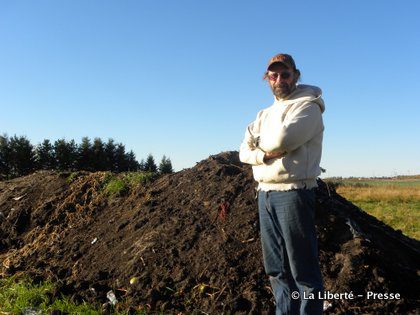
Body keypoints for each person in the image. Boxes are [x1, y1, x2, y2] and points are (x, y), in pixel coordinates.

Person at [239, 53, 325, 315]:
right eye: (273, 75)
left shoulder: (308, 106)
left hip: (293, 193)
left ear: (295, 75)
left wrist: (260, 143)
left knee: (303, 270)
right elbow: (243, 151)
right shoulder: (263, 114)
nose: (279, 80)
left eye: (285, 74)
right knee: (276, 269)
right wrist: (261, 155)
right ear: (267, 79)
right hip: (265, 194)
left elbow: (282, 140)